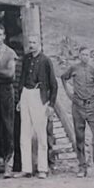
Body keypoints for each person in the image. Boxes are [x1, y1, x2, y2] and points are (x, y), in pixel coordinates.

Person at [61, 45, 94, 178]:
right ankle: (82, 167)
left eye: (87, 55)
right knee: (79, 137)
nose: (85, 57)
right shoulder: (74, 68)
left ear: (90, 56)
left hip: (91, 106)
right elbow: (64, 78)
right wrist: (69, 94)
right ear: (79, 56)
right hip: (77, 107)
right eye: (82, 55)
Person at [17, 35, 57, 178]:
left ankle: (42, 169)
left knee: (41, 133)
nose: (31, 45)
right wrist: (20, 98)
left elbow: (54, 84)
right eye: (30, 43)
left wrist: (51, 105)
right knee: (25, 133)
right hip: (26, 95)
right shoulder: (26, 59)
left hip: (39, 96)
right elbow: (22, 78)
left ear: (39, 44)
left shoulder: (46, 61)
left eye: (34, 42)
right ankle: (26, 168)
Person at [0, 22, 22, 176]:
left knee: (8, 128)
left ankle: (9, 163)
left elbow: (10, 75)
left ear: (4, 36)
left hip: (6, 92)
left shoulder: (10, 53)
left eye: (0, 34)